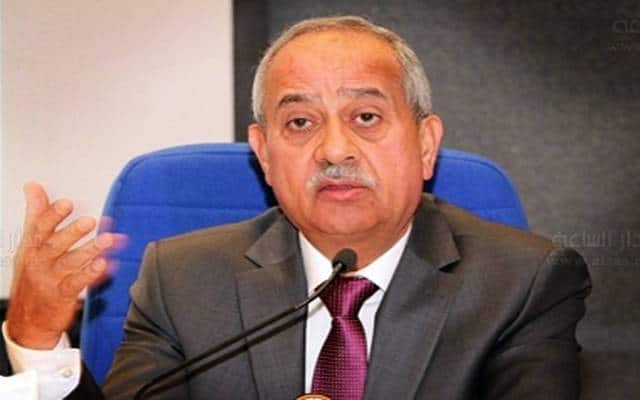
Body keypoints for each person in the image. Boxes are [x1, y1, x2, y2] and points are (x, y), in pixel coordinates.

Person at [1, 16, 591, 399]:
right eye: (301, 122)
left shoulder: (522, 284)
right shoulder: (181, 281)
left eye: (366, 117)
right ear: (263, 153)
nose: (334, 150)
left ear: (425, 144)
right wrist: (35, 339)